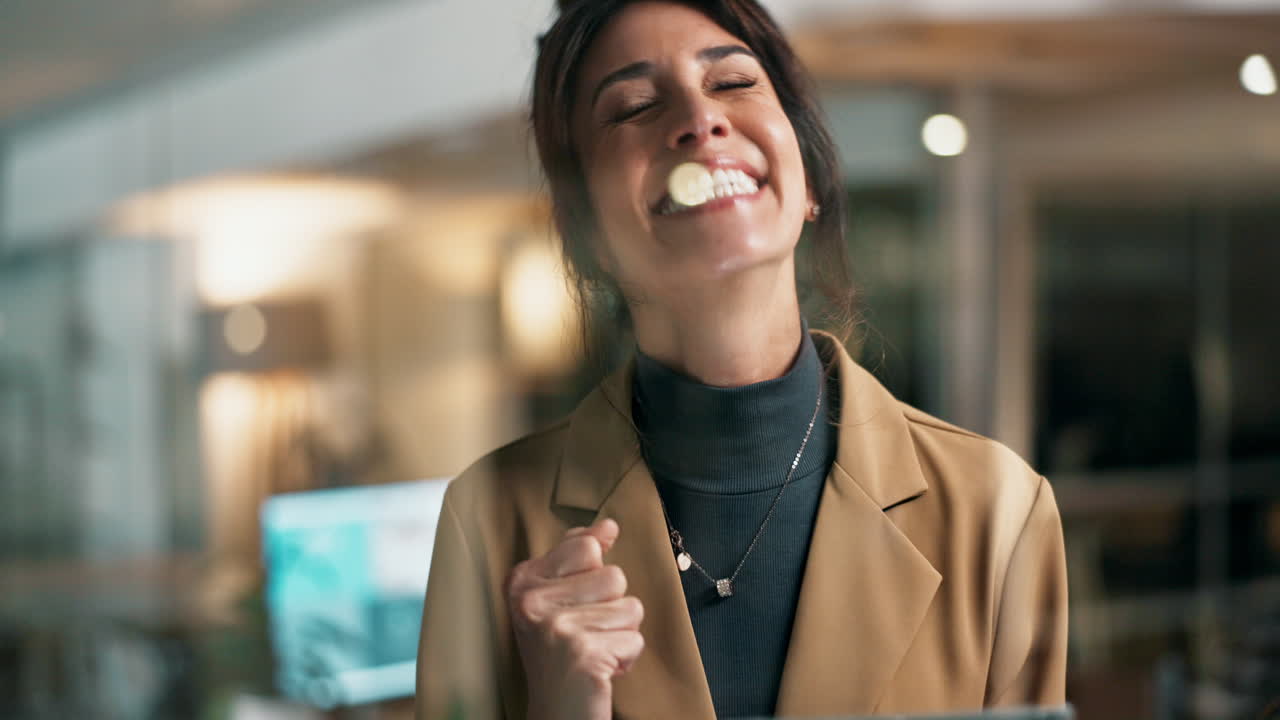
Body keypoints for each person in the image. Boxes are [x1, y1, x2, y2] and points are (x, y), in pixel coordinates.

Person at [415, 1, 1068, 718]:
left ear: (809, 181)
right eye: (634, 106)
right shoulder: (485, 519)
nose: (700, 120)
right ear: (590, 236)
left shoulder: (1001, 510)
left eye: (732, 83)